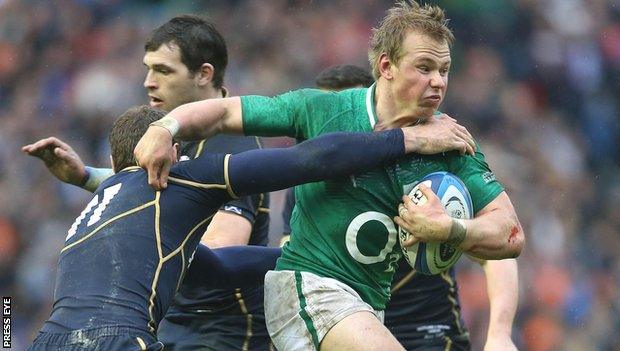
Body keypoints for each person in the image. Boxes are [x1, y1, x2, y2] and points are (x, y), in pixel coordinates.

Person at [134, 2, 526, 350]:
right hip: (311, 290)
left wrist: (452, 231)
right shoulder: (323, 111)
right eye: (424, 68)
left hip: (368, 308)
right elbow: (222, 112)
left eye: (444, 69)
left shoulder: (451, 145)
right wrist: (165, 128)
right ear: (386, 66)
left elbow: (510, 233)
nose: (438, 81)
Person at [25, 104, 433, 350]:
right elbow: (309, 161)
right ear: (174, 151)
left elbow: (216, 268)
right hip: (117, 339)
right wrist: (405, 140)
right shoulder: (178, 180)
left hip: (47, 340)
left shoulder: (94, 208)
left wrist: (301, 260)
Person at [21, 16, 273, 350]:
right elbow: (161, 198)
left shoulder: (231, 146)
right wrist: (85, 177)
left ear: (204, 74)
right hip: (169, 331)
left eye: (163, 71)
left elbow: (221, 247)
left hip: (219, 336)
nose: (148, 82)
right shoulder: (168, 139)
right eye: (148, 68)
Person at [279, 64, 519, 351]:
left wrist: (500, 334)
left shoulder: (423, 174)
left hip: (427, 332)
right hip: (347, 330)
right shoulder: (306, 192)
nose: (338, 132)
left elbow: (498, 254)